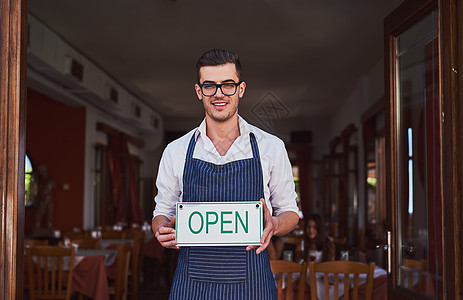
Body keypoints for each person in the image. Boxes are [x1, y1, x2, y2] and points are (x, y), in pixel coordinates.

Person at [151, 49, 299, 299]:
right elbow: (161, 212)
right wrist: (161, 229)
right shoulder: (175, 150)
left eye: (227, 85)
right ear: (199, 91)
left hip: (253, 284)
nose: (219, 94)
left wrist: (273, 224)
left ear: (240, 89)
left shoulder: (270, 147)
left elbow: (290, 213)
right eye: (209, 86)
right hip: (191, 285)